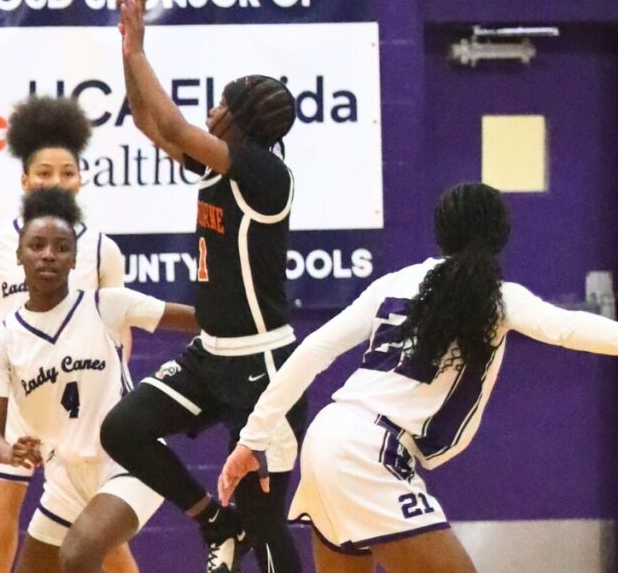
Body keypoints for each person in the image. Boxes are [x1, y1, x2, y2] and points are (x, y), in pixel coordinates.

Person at [218, 182, 618, 573]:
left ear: (440, 233)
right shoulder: (498, 296)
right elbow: (568, 328)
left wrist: (253, 437)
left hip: (328, 434)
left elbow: (312, 351)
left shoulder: (392, 283)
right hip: (369, 450)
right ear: (500, 236)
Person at [99, 0, 304, 573]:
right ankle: (215, 521)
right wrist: (125, 47)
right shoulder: (220, 166)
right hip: (211, 357)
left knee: (267, 528)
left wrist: (140, 49)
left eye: (218, 104)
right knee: (125, 430)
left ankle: (241, 527)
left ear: (235, 121)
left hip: (263, 368)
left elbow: (174, 126)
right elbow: (150, 123)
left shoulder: (267, 175)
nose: (207, 110)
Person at [0, 96, 136, 573]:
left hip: (80, 417)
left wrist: (115, 394)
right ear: (24, 180)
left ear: (81, 179)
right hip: (11, 410)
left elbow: (120, 329)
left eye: (67, 173)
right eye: (44, 172)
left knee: (110, 550)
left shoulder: (100, 250)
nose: (56, 182)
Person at [0, 187, 200, 573]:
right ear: (19, 255)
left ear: (74, 258)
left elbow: (199, 321)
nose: (48, 254)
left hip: (131, 460)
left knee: (80, 556)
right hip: (64, 476)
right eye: (37, 245)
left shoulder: (106, 306)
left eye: (61, 247)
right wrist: (10, 451)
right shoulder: (2, 339)